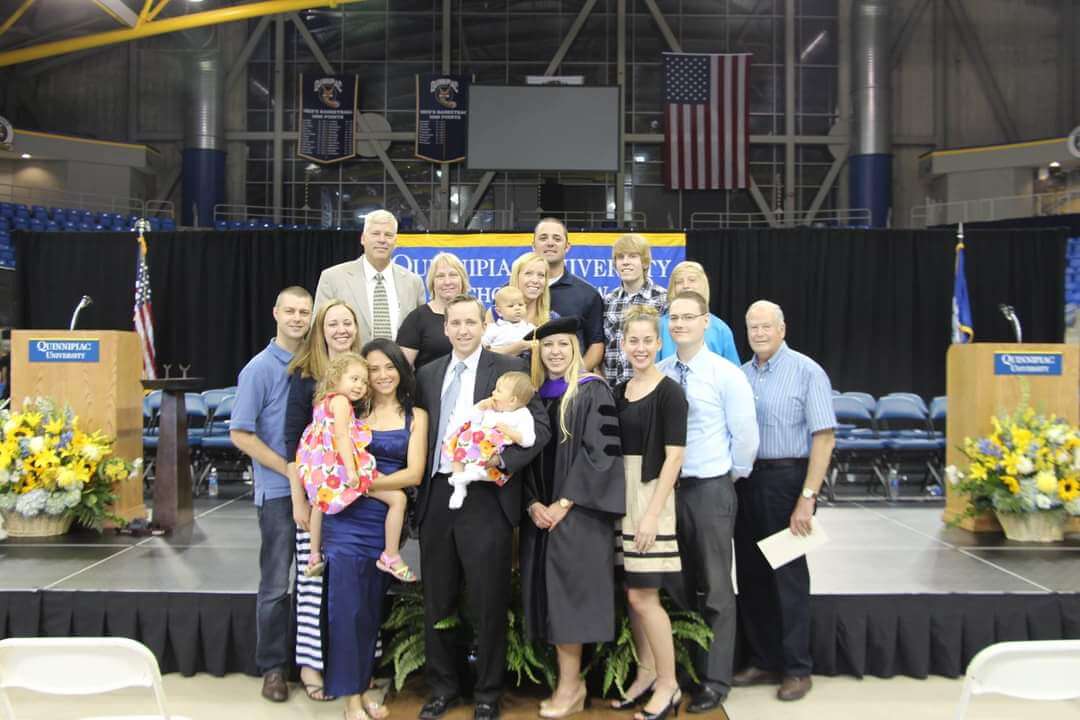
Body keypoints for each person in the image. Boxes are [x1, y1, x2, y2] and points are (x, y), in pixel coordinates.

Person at [415, 294, 550, 720]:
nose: (462, 330)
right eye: (454, 323)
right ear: (445, 328)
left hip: (488, 496)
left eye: (470, 322)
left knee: (488, 599)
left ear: (483, 324)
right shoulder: (427, 374)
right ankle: (443, 687)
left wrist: (502, 462)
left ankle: (488, 692)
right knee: (437, 598)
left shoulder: (509, 370)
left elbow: (540, 427)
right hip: (439, 492)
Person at [656, 291, 758, 716]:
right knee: (676, 588)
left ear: (705, 321)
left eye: (688, 317)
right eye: (674, 318)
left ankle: (716, 680)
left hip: (710, 488)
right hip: (668, 492)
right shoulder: (661, 372)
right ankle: (684, 671)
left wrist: (726, 476)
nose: (679, 324)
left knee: (715, 588)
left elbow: (746, 437)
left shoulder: (725, 374)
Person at [521, 316, 625, 719]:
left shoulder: (591, 390)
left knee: (570, 601)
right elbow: (525, 457)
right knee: (550, 599)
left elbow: (601, 453)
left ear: (576, 349)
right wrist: (532, 503)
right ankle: (568, 684)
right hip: (541, 517)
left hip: (578, 515)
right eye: (548, 345)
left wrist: (563, 504)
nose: (555, 352)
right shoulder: (534, 395)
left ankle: (571, 687)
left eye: (563, 344)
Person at [734, 300, 836, 703]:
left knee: (788, 579)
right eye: (753, 327)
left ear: (782, 329)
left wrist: (807, 497)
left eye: (766, 326)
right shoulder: (741, 375)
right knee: (751, 576)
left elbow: (824, 437)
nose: (759, 333)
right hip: (746, 482)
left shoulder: (807, 372)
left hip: (787, 482)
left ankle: (797, 668)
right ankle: (763, 659)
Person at [325, 338, 428, 720]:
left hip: (384, 524)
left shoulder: (416, 416)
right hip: (346, 520)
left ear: (401, 369)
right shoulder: (348, 410)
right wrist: (353, 486)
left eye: (389, 367)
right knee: (347, 611)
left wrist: (363, 483)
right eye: (373, 369)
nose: (382, 375)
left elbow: (413, 474)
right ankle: (350, 698)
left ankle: (362, 685)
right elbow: (326, 459)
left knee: (368, 610)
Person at [229, 286, 313, 703]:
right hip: (280, 491)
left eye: (304, 312)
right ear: (276, 313)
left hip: (320, 492)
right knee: (277, 582)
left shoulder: (315, 364)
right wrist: (289, 470)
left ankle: (313, 662)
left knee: (314, 582)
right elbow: (240, 433)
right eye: (291, 311)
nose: (297, 318)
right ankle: (273, 668)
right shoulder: (259, 369)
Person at [283, 299, 363, 702]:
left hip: (356, 498)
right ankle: (311, 665)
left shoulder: (363, 375)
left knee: (356, 587)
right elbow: (292, 443)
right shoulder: (304, 377)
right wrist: (298, 500)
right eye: (333, 324)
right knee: (313, 583)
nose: (341, 330)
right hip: (315, 495)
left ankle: (358, 667)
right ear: (321, 330)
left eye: (347, 322)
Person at [611, 305, 688, 720]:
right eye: (633, 341)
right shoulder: (620, 390)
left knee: (644, 596)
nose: (640, 348)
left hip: (650, 497)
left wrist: (651, 515)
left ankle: (669, 683)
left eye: (647, 340)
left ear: (660, 343)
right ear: (623, 344)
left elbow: (674, 458)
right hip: (621, 499)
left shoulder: (670, 392)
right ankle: (645, 673)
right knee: (632, 594)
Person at [297, 352, 416, 583]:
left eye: (363, 381)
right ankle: (391, 555)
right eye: (354, 379)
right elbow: (342, 436)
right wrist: (351, 471)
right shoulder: (341, 403)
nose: (360, 385)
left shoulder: (322, 403)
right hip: (341, 469)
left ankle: (314, 555)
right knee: (398, 499)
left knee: (319, 504)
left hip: (322, 470)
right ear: (336, 378)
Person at [314, 209, 426, 346]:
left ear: (395, 241)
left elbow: (422, 333)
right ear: (363, 238)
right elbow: (317, 332)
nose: (382, 240)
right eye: (375, 234)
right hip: (348, 359)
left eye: (388, 235)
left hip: (400, 360)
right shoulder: (333, 278)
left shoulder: (413, 283)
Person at [445, 370, 536, 509]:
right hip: (471, 449)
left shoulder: (523, 415)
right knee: (460, 436)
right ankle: (459, 486)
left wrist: (508, 431)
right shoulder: (491, 407)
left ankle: (474, 470)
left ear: (512, 400)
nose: (493, 393)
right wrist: (481, 407)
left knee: (484, 436)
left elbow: (529, 440)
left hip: (491, 464)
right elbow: (472, 419)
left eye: (498, 391)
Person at [532, 218, 605, 372]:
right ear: (533, 246)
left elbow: (596, 346)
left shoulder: (588, 294)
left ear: (567, 247)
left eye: (557, 238)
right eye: (543, 238)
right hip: (524, 383)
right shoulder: (513, 290)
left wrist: (572, 378)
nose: (550, 243)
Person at [602, 234, 668, 386]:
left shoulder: (663, 300)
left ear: (645, 262)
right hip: (613, 390)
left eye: (633, 256)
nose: (625, 262)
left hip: (651, 389)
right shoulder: (608, 301)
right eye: (620, 257)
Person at [657, 262, 740, 366]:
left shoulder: (720, 329)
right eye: (679, 282)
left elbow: (733, 370)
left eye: (692, 280)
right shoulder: (659, 326)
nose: (686, 286)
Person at [398, 252, 470, 369]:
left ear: (462, 280)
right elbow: (401, 369)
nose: (447, 282)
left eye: (453, 275)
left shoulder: (475, 314)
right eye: (440, 276)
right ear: (432, 282)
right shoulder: (417, 318)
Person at [484, 251, 556, 357]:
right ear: (516, 277)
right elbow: (482, 354)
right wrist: (517, 348)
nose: (535, 280)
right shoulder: (495, 314)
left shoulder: (552, 319)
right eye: (528, 274)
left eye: (541, 275)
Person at [480, 287, 535, 351]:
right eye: (511, 306)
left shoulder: (530, 328)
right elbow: (482, 346)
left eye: (520, 305)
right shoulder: (493, 328)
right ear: (499, 311)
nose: (517, 308)